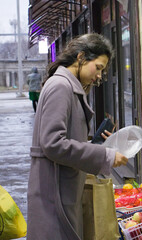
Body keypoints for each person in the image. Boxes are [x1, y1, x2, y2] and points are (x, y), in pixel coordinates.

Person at [27, 33, 129, 240]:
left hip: (61, 187)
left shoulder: (66, 85)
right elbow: (53, 143)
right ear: (81, 57)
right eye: (98, 67)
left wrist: (97, 143)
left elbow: (62, 138)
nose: (99, 75)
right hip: (54, 191)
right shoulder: (61, 87)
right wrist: (104, 155)